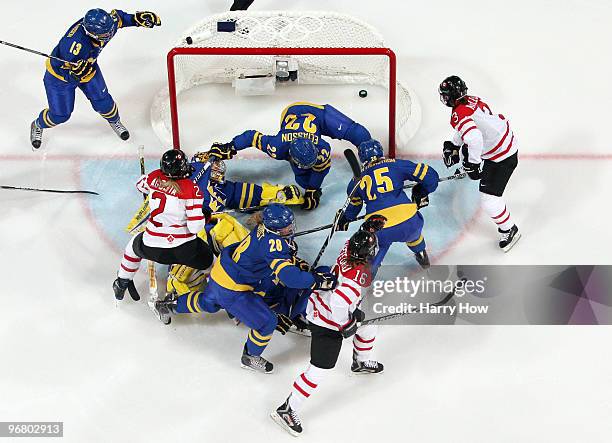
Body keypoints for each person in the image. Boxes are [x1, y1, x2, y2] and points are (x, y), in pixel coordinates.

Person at [156, 204, 337, 373]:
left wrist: (293, 262)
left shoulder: (263, 229)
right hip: (233, 287)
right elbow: (289, 277)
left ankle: (168, 305)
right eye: (286, 228)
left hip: (225, 271)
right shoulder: (272, 242)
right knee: (266, 323)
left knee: (209, 302)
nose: (290, 230)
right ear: (274, 229)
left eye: (290, 225)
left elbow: (269, 257)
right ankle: (250, 356)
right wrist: (315, 280)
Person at [271, 225, 384, 437]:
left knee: (369, 324)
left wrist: (368, 230)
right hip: (326, 322)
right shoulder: (349, 287)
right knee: (320, 369)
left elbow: (354, 241)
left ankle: (359, 362)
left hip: (322, 304)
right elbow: (339, 308)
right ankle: (288, 409)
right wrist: (348, 325)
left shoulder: (347, 250)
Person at [30, 8, 161, 150]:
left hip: (88, 68)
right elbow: (64, 70)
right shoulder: (73, 46)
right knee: (61, 115)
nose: (110, 34)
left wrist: (136, 19)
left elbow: (120, 18)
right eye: (106, 34)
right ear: (90, 33)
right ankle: (37, 124)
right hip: (60, 78)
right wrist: (74, 76)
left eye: (110, 30)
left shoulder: (106, 25)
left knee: (104, 101)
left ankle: (114, 121)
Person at [207, 102, 372, 210]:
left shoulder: (321, 150)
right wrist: (230, 146)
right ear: (291, 157)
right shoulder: (278, 146)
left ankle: (374, 162)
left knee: (361, 135)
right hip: (291, 111)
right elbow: (251, 136)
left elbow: (320, 171)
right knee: (303, 181)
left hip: (318, 115)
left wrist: (313, 190)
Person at [112, 149, 214, 300]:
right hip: (184, 250)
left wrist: (152, 185)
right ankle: (219, 292)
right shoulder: (192, 190)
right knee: (210, 262)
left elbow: (140, 185)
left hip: (152, 247)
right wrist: (204, 216)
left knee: (132, 246)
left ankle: (122, 281)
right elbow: (195, 228)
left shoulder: (154, 177)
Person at [439, 75, 521, 251]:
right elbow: (473, 127)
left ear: (452, 96)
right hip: (502, 141)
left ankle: (509, 229)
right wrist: (455, 145)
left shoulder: (458, 113)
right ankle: (471, 164)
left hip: (502, 156)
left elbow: (474, 138)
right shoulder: (471, 100)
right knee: (467, 149)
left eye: (446, 94)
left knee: (489, 199)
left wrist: (473, 164)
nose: (444, 98)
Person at [337, 139, 439, 272]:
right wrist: (422, 191)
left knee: (375, 253)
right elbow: (431, 177)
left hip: (379, 228)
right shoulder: (396, 165)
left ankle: (364, 282)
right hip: (409, 221)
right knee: (414, 236)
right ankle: (423, 259)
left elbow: (354, 206)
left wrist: (345, 218)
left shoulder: (355, 182)